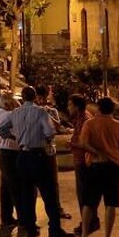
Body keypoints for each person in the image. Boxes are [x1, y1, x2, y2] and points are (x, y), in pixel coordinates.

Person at [0, 85, 71, 237]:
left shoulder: (15, 113)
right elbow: (50, 132)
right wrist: (44, 140)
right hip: (38, 155)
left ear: (22, 98)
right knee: (48, 193)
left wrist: (16, 137)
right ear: (35, 96)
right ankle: (55, 229)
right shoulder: (41, 112)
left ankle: (30, 228)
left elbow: (1, 130)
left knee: (26, 193)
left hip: (22, 156)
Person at [74, 96, 119, 237]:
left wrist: (96, 153)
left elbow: (83, 143)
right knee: (111, 203)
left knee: (89, 203)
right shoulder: (118, 126)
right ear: (112, 109)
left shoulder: (89, 124)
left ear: (98, 108)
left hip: (94, 167)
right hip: (113, 167)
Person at [67, 93, 101, 237]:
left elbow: (84, 143)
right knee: (84, 194)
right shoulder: (80, 119)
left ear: (76, 106)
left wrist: (71, 144)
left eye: (70, 105)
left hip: (83, 161)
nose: (68, 108)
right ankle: (89, 221)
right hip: (80, 160)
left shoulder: (85, 119)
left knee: (85, 195)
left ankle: (88, 223)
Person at [36, 86, 71, 221]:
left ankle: (57, 209)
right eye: (39, 98)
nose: (41, 101)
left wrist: (47, 114)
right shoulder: (32, 111)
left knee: (53, 182)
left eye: (43, 98)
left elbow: (58, 127)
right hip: (37, 148)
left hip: (49, 149)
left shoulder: (52, 111)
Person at [0, 92, 21, 227]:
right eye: (12, 103)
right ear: (7, 104)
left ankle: (7, 217)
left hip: (4, 153)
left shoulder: (1, 113)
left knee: (6, 187)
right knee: (15, 186)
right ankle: (22, 217)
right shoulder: (8, 115)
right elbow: (21, 112)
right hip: (10, 154)